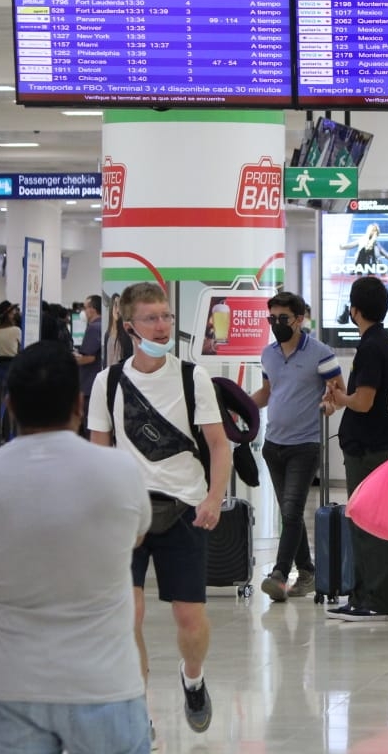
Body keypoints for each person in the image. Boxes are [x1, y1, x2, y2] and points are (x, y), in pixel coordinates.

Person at [0, 342, 151, 754]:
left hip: (13, 685)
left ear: (9, 405)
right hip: (106, 684)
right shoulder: (120, 471)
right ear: (79, 404)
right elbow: (136, 537)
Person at [87, 282, 232, 738]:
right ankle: (138, 713)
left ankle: (193, 678)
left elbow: (219, 445)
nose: (162, 325)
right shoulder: (107, 381)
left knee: (189, 617)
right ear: (129, 326)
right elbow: (100, 454)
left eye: (166, 316)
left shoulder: (194, 378)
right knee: (127, 615)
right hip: (127, 514)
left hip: (184, 509)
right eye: (151, 318)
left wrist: (213, 499)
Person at [251, 291, 343, 603]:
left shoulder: (320, 353)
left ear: (299, 319)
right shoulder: (268, 354)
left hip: (305, 445)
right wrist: (241, 406)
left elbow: (339, 391)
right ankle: (307, 571)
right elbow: (267, 392)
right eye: (272, 318)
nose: (277, 324)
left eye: (283, 319)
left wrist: (329, 402)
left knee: (290, 510)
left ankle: (279, 574)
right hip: (273, 444)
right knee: (289, 513)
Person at [322, 276, 388, 622]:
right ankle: (365, 595)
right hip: (374, 445)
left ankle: (375, 598)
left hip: (367, 450)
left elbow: (365, 402)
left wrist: (340, 397)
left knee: (369, 524)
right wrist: (344, 399)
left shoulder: (371, 347)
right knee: (367, 522)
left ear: (353, 310)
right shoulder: (385, 342)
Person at [75, 294, 103, 431]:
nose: (83, 312)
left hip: (89, 386)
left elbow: (89, 357)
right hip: (97, 383)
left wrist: (72, 359)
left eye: (85, 308)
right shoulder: (104, 326)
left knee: (88, 428)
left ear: (92, 309)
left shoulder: (93, 328)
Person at [105, 292, 133, 367]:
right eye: (115, 305)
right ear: (111, 307)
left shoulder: (126, 334)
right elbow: (105, 360)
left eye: (119, 306)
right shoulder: (107, 334)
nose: (117, 310)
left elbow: (129, 359)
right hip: (108, 375)